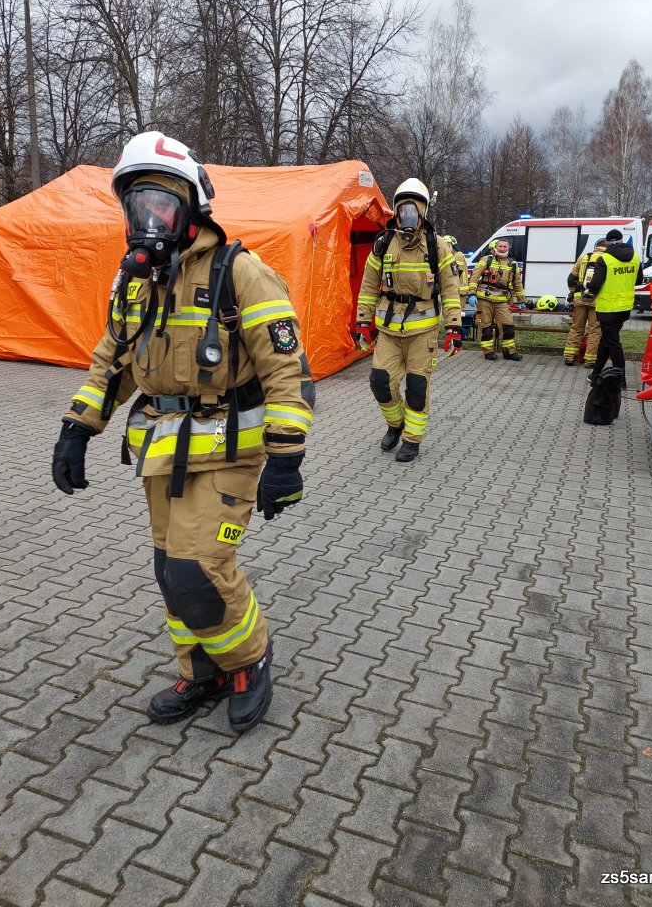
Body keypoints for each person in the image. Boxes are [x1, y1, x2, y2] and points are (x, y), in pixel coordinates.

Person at [51, 131, 314, 733]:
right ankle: (202, 669)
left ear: (192, 205)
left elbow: (287, 373)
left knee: (200, 567)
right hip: (163, 452)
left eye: (160, 205)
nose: (147, 219)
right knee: (170, 568)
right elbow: (111, 360)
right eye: (136, 205)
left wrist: (287, 458)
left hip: (230, 451)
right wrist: (77, 427)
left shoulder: (241, 273)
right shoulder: (136, 282)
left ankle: (248, 663)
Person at [354, 178, 461, 463]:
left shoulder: (436, 246)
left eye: (414, 209)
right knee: (380, 382)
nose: (408, 215)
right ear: (397, 211)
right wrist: (363, 322)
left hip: (422, 332)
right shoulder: (384, 243)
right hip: (388, 330)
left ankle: (412, 440)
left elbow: (450, 289)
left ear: (423, 211)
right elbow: (368, 286)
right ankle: (395, 424)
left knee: (416, 388)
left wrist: (454, 326)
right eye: (403, 209)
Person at [582, 227, 643, 389]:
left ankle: (620, 379)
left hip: (608, 308)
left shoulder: (605, 259)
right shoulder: (635, 257)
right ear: (622, 240)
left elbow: (595, 284)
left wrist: (588, 289)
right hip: (624, 308)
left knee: (613, 343)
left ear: (607, 243)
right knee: (606, 340)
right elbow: (639, 280)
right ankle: (595, 374)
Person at [466, 237, 526, 361]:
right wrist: (472, 293)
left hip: (502, 301)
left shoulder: (513, 264)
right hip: (484, 299)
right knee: (486, 327)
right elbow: (474, 277)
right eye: (500, 246)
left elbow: (518, 284)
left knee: (508, 326)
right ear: (495, 247)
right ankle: (488, 352)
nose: (502, 248)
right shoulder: (486, 260)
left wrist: (521, 301)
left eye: (505, 246)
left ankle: (509, 352)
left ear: (508, 248)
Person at [563, 238, 607, 367]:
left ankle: (569, 357)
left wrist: (573, 293)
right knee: (595, 330)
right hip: (597, 300)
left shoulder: (583, 258)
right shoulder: (608, 260)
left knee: (576, 328)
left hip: (580, 299)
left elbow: (571, 279)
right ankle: (590, 360)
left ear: (596, 247)